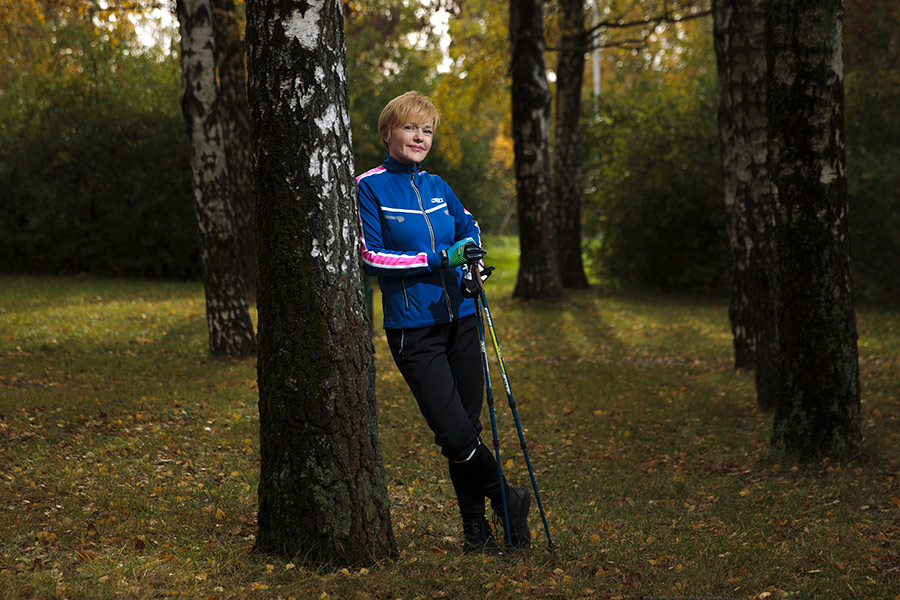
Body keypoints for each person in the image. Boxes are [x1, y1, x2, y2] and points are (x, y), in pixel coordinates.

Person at [356, 91, 531, 555]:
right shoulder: (368, 187)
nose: (419, 137)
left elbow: (469, 227)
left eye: (427, 130)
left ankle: (477, 532)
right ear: (388, 132)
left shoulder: (438, 185)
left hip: (463, 318)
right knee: (453, 433)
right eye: (411, 128)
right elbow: (371, 256)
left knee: (466, 433)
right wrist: (436, 257)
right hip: (414, 329)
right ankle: (507, 497)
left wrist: (470, 260)